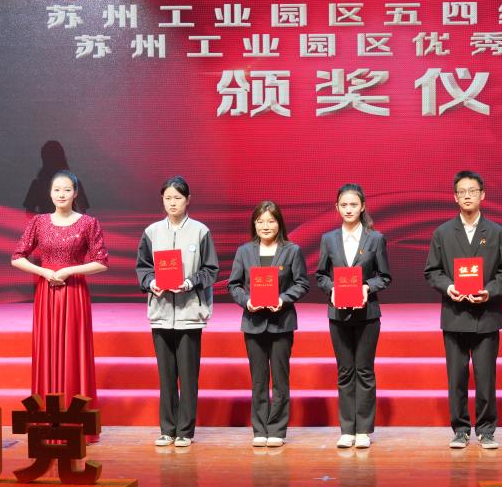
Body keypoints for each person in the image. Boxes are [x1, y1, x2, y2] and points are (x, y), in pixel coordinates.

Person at [11, 170, 108, 440]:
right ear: (50, 193)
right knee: (48, 350)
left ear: (75, 193)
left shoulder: (88, 223)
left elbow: (101, 261)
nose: (61, 194)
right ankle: (47, 421)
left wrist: (69, 271)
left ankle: (76, 422)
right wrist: (44, 272)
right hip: (47, 292)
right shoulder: (39, 222)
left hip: (74, 293)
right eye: (57, 190)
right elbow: (17, 256)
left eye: (67, 190)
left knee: (74, 351)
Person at [424, 170, 502, 450]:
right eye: (462, 192)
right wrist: (449, 287)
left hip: (486, 316)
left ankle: (486, 430)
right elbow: (432, 271)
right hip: (455, 315)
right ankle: (461, 429)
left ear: (482, 195)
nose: (467, 196)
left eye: (472, 191)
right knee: (457, 377)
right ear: (455, 197)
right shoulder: (443, 233)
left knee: (486, 377)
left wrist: (489, 290)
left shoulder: (497, 232)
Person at [136, 176, 219, 448]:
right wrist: (151, 282)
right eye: (168, 198)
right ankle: (167, 430)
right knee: (166, 376)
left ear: (188, 200)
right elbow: (143, 268)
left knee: (188, 375)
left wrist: (190, 282)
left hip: (190, 313)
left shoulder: (200, 231)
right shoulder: (151, 232)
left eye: (178, 198)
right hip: (160, 313)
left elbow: (211, 270)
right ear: (162, 200)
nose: (172, 203)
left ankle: (185, 431)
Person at [315, 183, 392, 449]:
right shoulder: (328, 239)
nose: (349, 209)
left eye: (353, 205)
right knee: (345, 371)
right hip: (338, 314)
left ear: (362, 207)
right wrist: (332, 289)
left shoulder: (375, 239)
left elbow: (384, 276)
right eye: (344, 205)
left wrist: (367, 287)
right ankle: (347, 429)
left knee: (365, 370)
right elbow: (321, 275)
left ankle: (363, 431)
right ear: (337, 208)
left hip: (367, 314)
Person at [227, 200, 309, 448]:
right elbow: (234, 285)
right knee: (259, 380)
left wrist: (283, 299)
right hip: (253, 322)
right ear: (254, 224)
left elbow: (302, 283)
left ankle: (277, 430)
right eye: (261, 221)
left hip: (281, 322)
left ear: (279, 223)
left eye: (271, 221)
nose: (265, 226)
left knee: (281, 380)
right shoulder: (244, 251)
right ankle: (260, 429)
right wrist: (247, 301)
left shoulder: (291, 250)